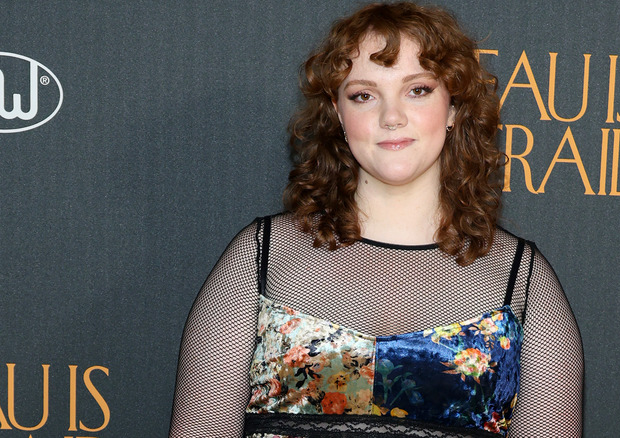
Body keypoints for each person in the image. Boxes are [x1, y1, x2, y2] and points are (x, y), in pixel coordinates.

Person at [169, 2, 583, 437]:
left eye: (417, 89)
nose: (391, 117)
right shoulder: (260, 258)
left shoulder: (522, 281)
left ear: (455, 106)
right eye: (364, 95)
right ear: (337, 113)